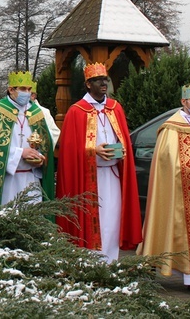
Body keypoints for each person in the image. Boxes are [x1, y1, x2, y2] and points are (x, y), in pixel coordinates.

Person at [137, 84, 190, 297]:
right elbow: (166, 161)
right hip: (177, 190)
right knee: (168, 224)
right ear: (184, 102)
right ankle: (153, 263)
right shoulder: (171, 127)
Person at [55, 63, 141, 263]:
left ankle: (110, 264)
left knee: (112, 220)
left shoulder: (115, 108)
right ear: (88, 84)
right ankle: (90, 265)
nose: (104, 83)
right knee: (95, 222)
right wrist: (92, 151)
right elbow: (68, 152)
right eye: (98, 80)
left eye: (105, 79)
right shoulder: (76, 112)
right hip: (88, 180)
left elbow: (124, 140)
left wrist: (120, 152)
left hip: (112, 175)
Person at [0, 71, 55, 211]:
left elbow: (46, 147)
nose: (26, 93)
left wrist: (40, 159)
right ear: (11, 90)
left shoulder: (37, 113)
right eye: (22, 89)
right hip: (7, 182)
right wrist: (21, 153)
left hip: (32, 180)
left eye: (29, 89)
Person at [30, 82, 61, 147]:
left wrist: (41, 137)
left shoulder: (44, 112)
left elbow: (55, 132)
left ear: (34, 96)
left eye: (29, 93)